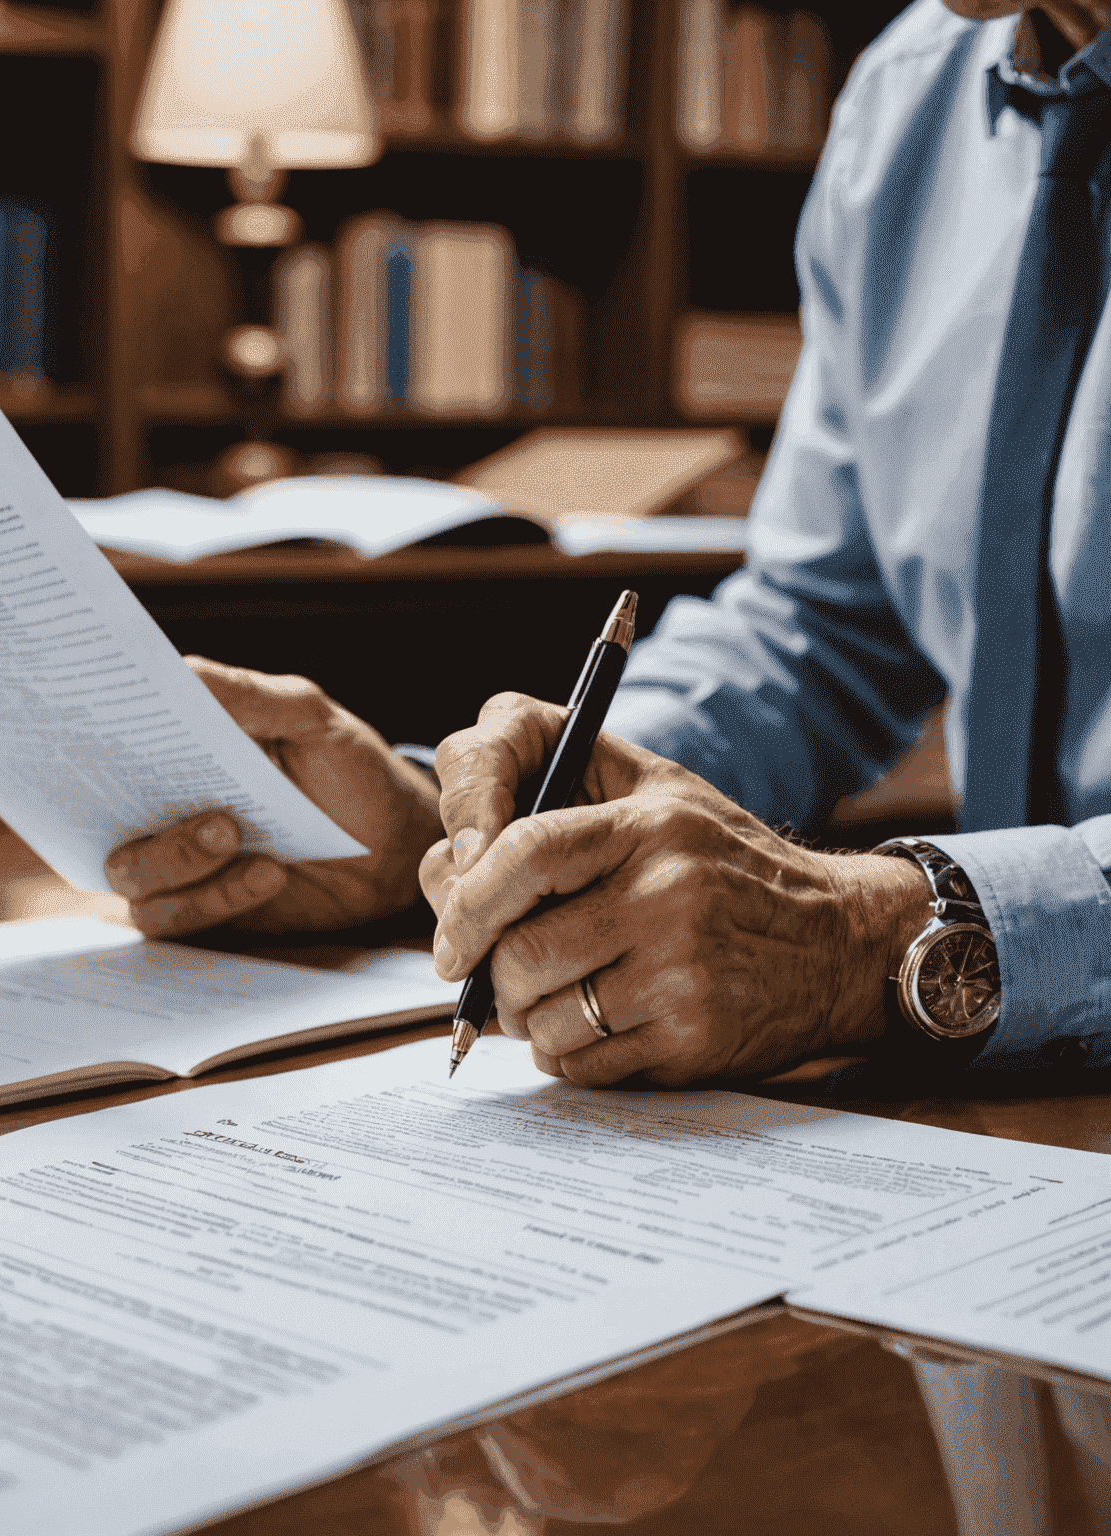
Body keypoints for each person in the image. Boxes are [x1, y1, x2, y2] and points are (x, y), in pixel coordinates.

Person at [106, 0, 1111, 1092]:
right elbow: (822, 627)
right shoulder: (909, 97)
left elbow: (867, 912)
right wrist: (480, 842)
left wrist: (876, 935)